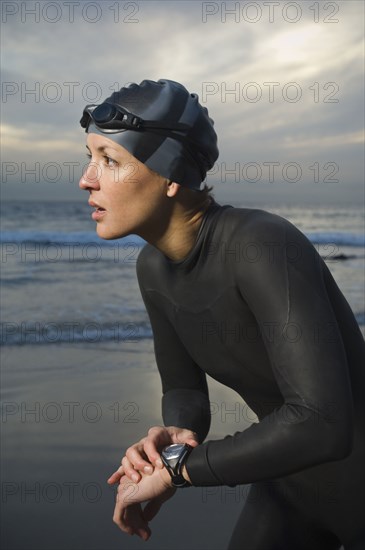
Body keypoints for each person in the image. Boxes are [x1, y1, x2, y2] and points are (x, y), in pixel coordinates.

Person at [79, 79, 365, 549]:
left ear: (170, 175)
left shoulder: (260, 244)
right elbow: (184, 389)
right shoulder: (152, 266)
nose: (87, 179)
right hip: (285, 488)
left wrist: (179, 471)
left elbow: (322, 423)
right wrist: (171, 442)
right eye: (89, 158)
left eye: (110, 160)